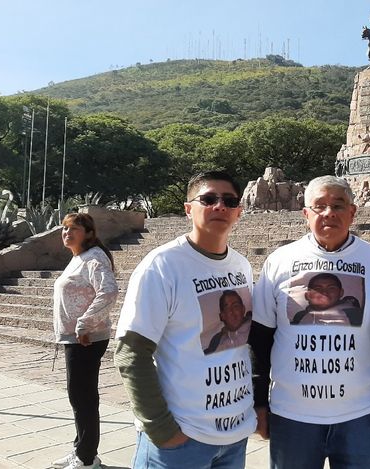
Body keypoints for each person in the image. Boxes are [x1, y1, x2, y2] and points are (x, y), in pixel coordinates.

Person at [115, 170, 257, 469]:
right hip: (181, 440)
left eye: (229, 201)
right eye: (208, 199)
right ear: (188, 208)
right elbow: (131, 352)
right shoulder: (163, 265)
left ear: (239, 212)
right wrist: (162, 430)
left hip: (234, 434)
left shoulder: (241, 266)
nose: (219, 206)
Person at [250, 175, 370, 469]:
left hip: (362, 416)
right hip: (292, 416)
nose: (329, 213)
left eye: (338, 205)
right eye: (320, 206)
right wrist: (259, 402)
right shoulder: (279, 261)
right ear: (306, 214)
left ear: (352, 212)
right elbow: (260, 338)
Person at [51, 213, 118, 469]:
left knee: (83, 398)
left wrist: (84, 323)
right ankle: (82, 449)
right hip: (76, 338)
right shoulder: (78, 259)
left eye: (74, 229)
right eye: (64, 229)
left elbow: (109, 291)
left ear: (89, 233)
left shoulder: (94, 258)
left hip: (86, 338)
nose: (67, 233)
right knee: (79, 396)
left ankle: (87, 458)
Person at [290, 272, 363, 326]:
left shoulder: (356, 316)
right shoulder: (300, 317)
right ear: (307, 295)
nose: (324, 292)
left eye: (331, 288)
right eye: (318, 288)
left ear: (341, 293)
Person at [204, 290, 253, 355]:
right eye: (227, 308)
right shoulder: (217, 341)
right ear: (222, 316)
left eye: (235, 306)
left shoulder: (257, 330)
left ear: (243, 309)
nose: (231, 312)